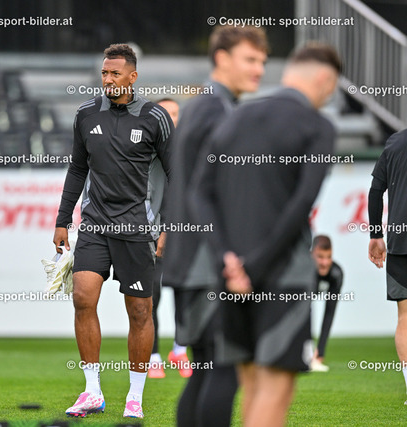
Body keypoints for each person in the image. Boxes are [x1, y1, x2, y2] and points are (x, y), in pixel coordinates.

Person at [192, 42, 341, 427]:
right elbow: (301, 205)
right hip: (282, 277)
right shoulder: (319, 126)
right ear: (324, 79)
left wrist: (227, 259)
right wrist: (254, 267)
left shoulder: (236, 116)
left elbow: (200, 194)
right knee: (275, 391)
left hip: (229, 278)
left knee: (250, 384)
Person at [54, 43, 173, 419]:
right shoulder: (86, 114)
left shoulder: (155, 117)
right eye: (104, 73)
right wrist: (62, 220)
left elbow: (178, 176)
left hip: (137, 229)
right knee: (82, 298)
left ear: (132, 77)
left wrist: (168, 227)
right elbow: (77, 168)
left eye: (115, 73)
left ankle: (135, 396)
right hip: (94, 225)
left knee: (139, 312)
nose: (107, 79)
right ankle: (92, 391)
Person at [160, 25, 268, 426]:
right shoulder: (216, 110)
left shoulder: (201, 106)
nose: (259, 69)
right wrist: (229, 256)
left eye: (262, 61)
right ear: (222, 58)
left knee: (206, 369)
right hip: (207, 264)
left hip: (193, 262)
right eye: (250, 59)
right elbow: (213, 195)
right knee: (222, 369)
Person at [148, 97, 189, 379]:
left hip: (185, 232)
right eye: (166, 113)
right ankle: (152, 356)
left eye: (175, 113)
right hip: (154, 231)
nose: (172, 119)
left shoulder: (190, 150)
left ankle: (180, 349)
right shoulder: (145, 150)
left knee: (186, 291)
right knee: (152, 294)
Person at [368, 117, 407, 405]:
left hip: (399, 244)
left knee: (405, 317)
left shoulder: (394, 143)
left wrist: (375, 234)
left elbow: (375, 191)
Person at [310, 235, 344, 372]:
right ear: (311, 254)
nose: (325, 262)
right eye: (320, 257)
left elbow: (329, 312)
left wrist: (320, 351)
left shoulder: (336, 273)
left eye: (328, 257)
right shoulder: (303, 270)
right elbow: (301, 311)